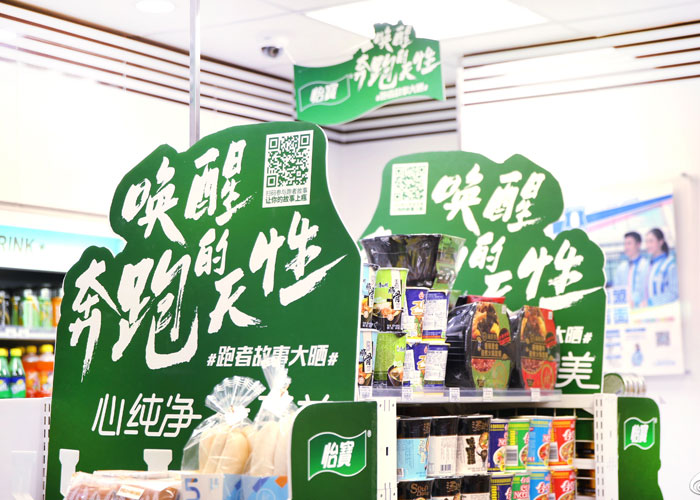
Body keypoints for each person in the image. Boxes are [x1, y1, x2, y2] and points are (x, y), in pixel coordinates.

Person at [612, 231, 649, 308]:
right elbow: (616, 289)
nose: (626, 247)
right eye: (625, 244)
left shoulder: (647, 266)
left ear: (638, 244)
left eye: (629, 243)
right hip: (624, 308)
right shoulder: (621, 268)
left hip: (643, 308)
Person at [644, 228, 679, 306]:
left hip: (665, 310)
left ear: (661, 242)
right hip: (648, 310)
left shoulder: (670, 265)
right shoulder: (648, 265)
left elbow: (674, 293)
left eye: (651, 241)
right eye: (646, 242)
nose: (648, 245)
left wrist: (652, 302)